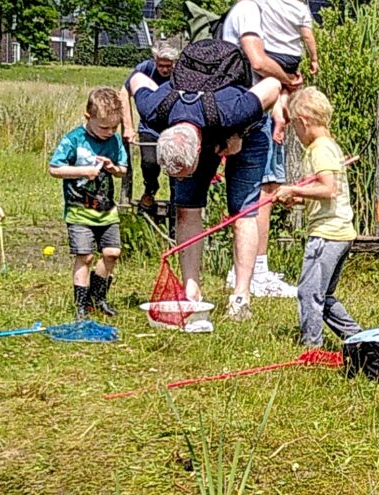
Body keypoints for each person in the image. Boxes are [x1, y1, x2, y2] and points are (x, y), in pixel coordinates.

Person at [126, 65, 284, 305]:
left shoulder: (232, 110)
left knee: (242, 211)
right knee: (185, 207)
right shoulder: (154, 108)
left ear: (199, 151)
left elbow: (273, 85)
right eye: (175, 176)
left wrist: (238, 134)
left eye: (183, 174)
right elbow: (136, 77)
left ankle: (241, 297)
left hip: (248, 131)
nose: (178, 180)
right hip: (203, 126)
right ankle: (192, 292)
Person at [219, 0, 306, 312]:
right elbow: (257, 60)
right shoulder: (248, 9)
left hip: (269, 108)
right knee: (263, 191)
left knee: (266, 187)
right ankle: (255, 271)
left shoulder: (266, 9)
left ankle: (256, 268)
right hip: (253, 109)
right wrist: (289, 79)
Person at [274, 88, 362, 346]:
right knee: (325, 296)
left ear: (303, 122)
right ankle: (358, 339)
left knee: (309, 292)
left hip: (327, 234)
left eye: (295, 127)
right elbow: (328, 192)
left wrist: (293, 188)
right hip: (340, 232)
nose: (296, 134)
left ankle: (312, 346)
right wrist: (297, 198)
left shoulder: (319, 149)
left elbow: (329, 189)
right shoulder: (330, 146)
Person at [49, 89, 131, 318]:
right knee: (85, 256)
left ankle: (98, 295)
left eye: (114, 127)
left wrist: (113, 169)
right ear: (88, 117)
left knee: (112, 252)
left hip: (106, 210)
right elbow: (54, 168)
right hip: (79, 209)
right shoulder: (74, 140)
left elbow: (123, 169)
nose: (110, 132)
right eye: (104, 127)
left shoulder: (114, 141)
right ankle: (81, 305)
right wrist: (83, 171)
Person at [131, 36, 183, 211]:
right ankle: (150, 188)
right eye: (161, 65)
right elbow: (124, 92)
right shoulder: (144, 69)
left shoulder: (182, 73)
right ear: (155, 61)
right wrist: (129, 127)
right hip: (149, 127)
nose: (164, 69)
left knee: (175, 165)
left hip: (174, 127)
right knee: (149, 162)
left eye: (169, 66)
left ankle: (177, 203)